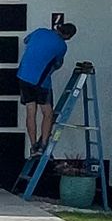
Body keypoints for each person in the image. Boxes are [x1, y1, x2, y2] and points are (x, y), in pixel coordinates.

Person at [17, 20, 78, 154]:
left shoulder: (40, 31)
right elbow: (57, 63)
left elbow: (26, 40)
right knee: (48, 113)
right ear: (68, 36)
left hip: (23, 76)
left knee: (30, 112)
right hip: (41, 82)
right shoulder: (62, 46)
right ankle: (43, 145)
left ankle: (33, 146)